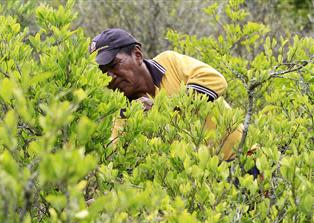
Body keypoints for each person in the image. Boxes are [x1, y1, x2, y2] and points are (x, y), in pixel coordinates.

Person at [89, 28, 243, 161]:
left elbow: (214, 80)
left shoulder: (169, 63)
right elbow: (119, 158)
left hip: (246, 158)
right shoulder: (124, 116)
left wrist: (163, 109)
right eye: (103, 72)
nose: (109, 77)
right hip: (208, 184)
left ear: (137, 54)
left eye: (114, 65)